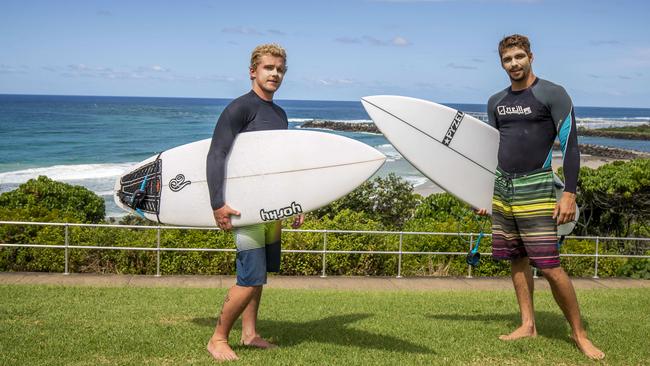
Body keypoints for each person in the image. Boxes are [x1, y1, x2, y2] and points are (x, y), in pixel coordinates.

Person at [477, 34, 604, 360]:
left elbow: (571, 144)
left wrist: (570, 194)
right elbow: (491, 151)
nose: (514, 64)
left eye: (519, 56)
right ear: (501, 63)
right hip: (504, 186)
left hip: (536, 186)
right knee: (516, 258)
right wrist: (480, 194)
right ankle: (527, 324)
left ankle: (579, 334)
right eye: (507, 59)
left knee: (549, 265)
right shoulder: (496, 102)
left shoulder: (552, 93)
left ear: (531, 56)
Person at [205, 43, 304, 362]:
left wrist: (296, 202)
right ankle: (218, 338)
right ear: (253, 71)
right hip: (245, 209)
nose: (275, 74)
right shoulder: (239, 109)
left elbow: (279, 166)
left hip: (271, 210)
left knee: (260, 276)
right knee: (249, 278)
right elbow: (216, 154)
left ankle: (250, 335)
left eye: (280, 70)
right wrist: (217, 203)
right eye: (269, 68)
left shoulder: (279, 114)